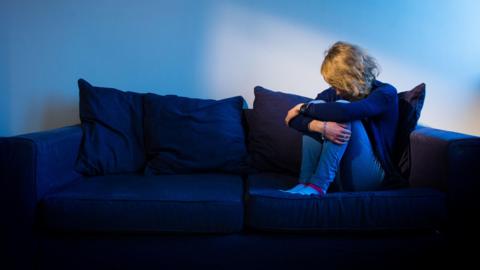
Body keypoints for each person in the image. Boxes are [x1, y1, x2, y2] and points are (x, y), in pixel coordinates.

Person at [281, 41, 399, 197]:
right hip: (340, 175)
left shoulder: (386, 93)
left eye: (338, 85)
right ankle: (305, 183)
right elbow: (293, 120)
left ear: (352, 77)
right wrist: (319, 127)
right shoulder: (337, 93)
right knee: (318, 105)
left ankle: (318, 186)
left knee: (339, 108)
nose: (336, 91)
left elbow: (345, 111)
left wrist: (302, 108)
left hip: (372, 177)